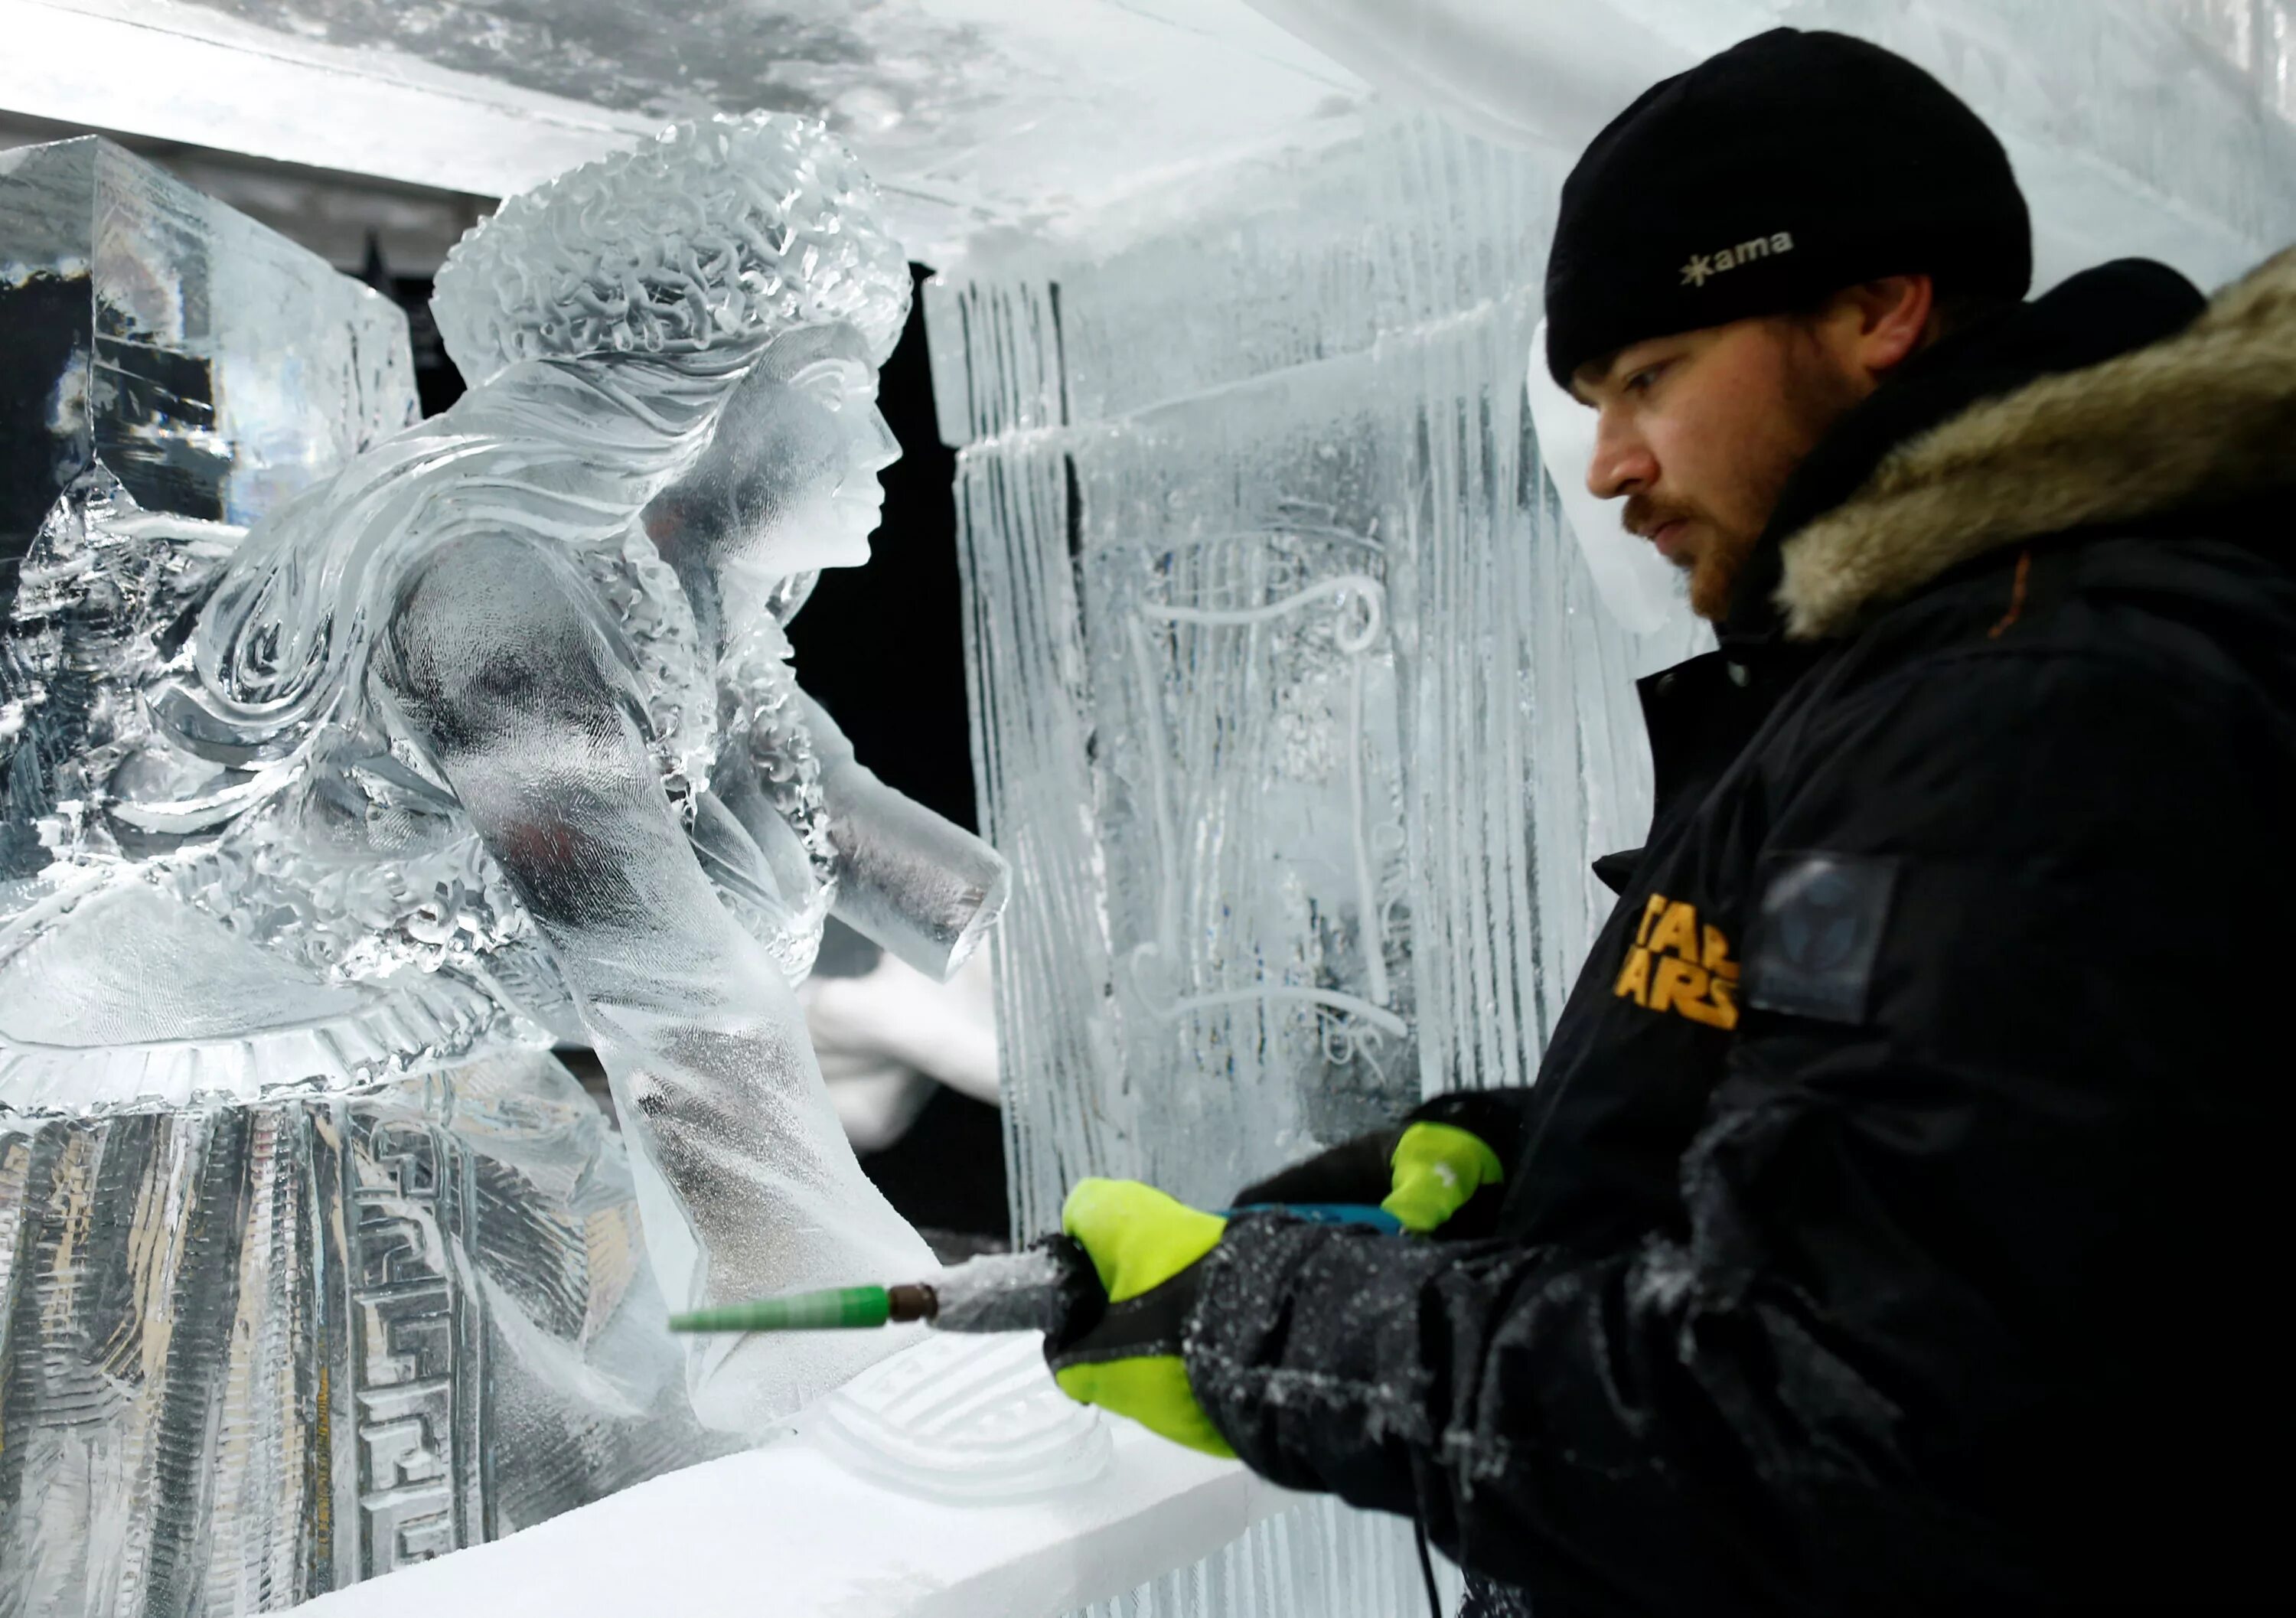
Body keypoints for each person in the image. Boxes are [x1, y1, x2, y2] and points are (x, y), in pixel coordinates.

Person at [1039, 28, 2296, 1613]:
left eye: (1652, 375)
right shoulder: (1928, 669)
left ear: (1874, 312)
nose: (1614, 465)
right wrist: (1530, 1162)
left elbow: (1832, 1431)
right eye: (1591, 397)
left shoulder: (2030, 701)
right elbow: (1899, 1139)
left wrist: (1266, 1324)